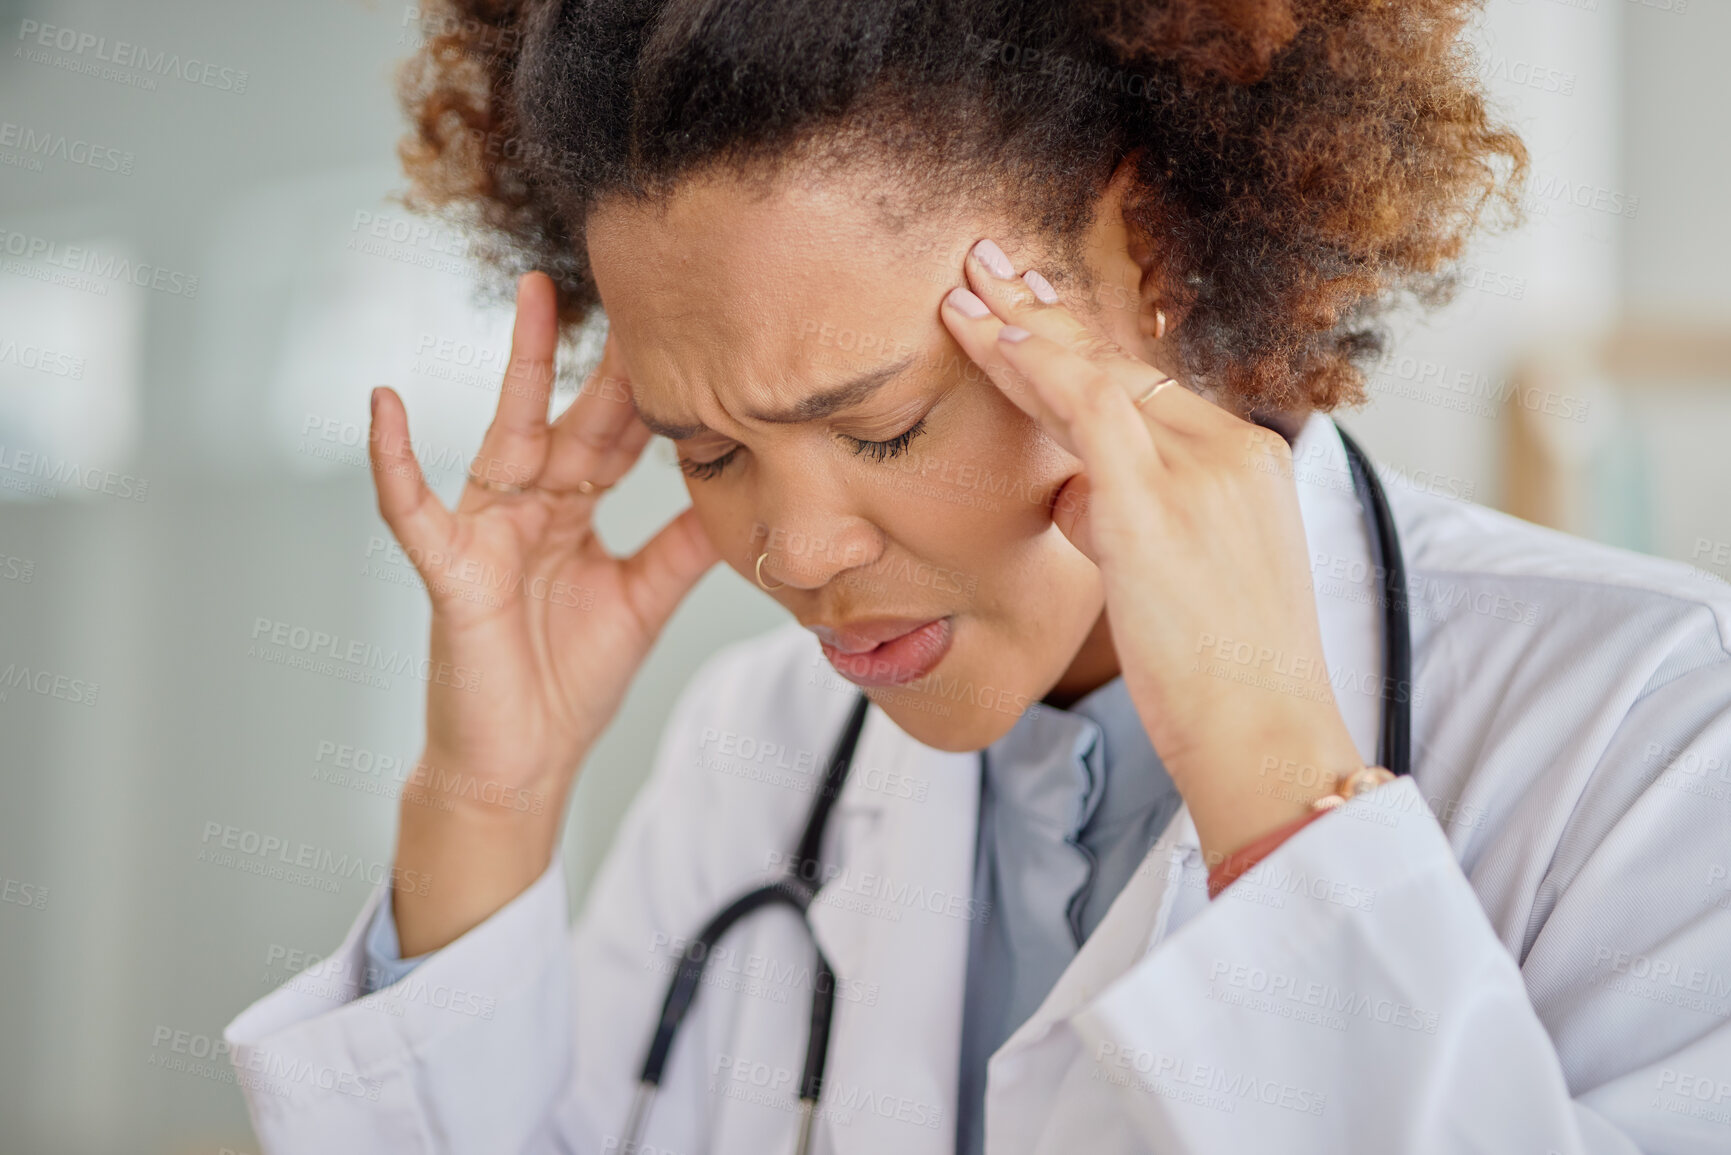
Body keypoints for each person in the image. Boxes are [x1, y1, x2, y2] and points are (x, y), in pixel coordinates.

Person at [225, 1, 1731, 1152]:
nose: (796, 558)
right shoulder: (755, 760)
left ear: (1148, 244)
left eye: (881, 426)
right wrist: (483, 804)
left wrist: (1280, 795)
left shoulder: (1654, 734)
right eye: (708, 451)